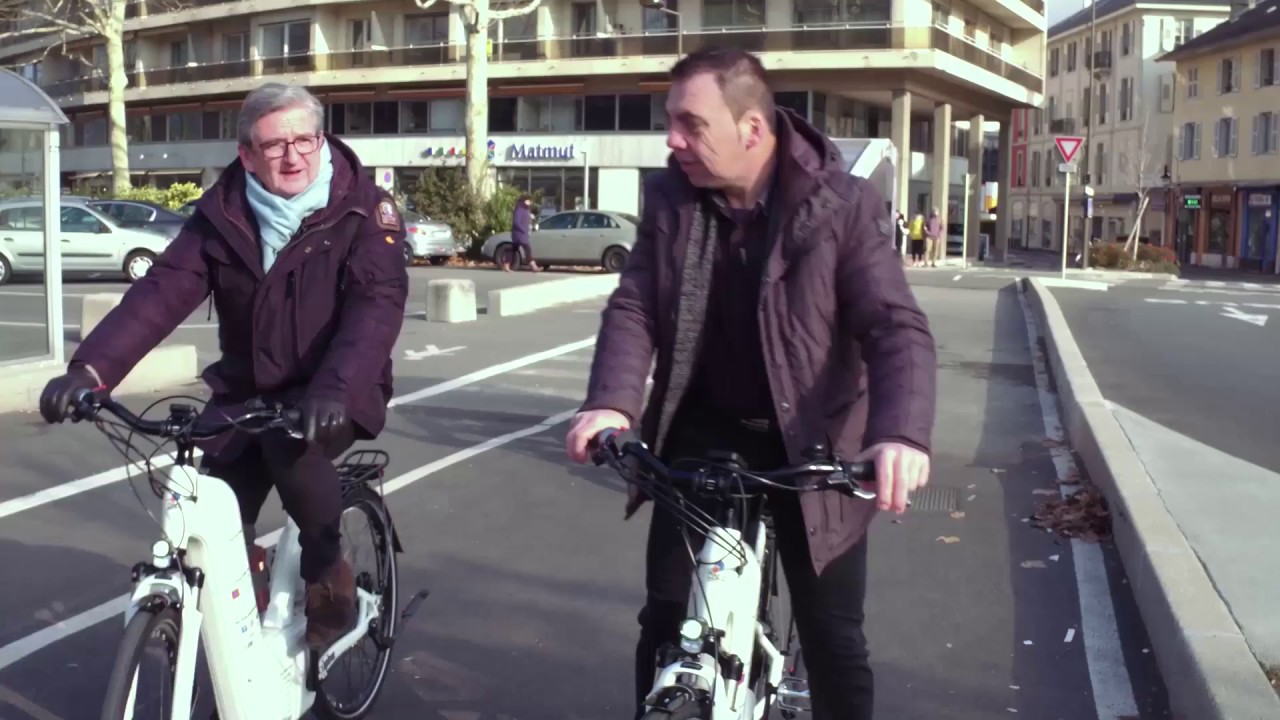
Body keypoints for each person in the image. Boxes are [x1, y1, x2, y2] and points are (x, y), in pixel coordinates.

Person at [563, 47, 937, 720]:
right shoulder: (671, 198)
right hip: (706, 430)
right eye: (669, 121)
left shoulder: (842, 206)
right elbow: (636, 305)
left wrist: (900, 435)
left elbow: (895, 328)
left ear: (752, 131)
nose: (672, 139)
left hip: (815, 443)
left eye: (690, 123)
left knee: (833, 641)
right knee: (667, 623)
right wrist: (611, 404)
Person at [36, 82, 409, 651]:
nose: (293, 157)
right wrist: (90, 371)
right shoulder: (222, 214)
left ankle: (329, 575)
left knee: (295, 460)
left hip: (332, 388)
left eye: (305, 140)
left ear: (321, 139)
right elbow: (160, 293)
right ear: (247, 155)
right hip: (246, 390)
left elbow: (375, 306)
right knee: (204, 504)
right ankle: (244, 641)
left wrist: (337, 386)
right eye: (275, 145)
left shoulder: (361, 208)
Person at [503, 194, 541, 272]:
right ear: (524, 201)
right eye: (528, 200)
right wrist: (523, 230)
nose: (530, 202)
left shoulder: (526, 209)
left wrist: (530, 221)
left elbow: (525, 220)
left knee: (513, 249)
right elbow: (516, 222)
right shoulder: (519, 209)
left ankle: (506, 265)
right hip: (519, 233)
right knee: (527, 248)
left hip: (522, 233)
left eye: (530, 201)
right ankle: (533, 266)